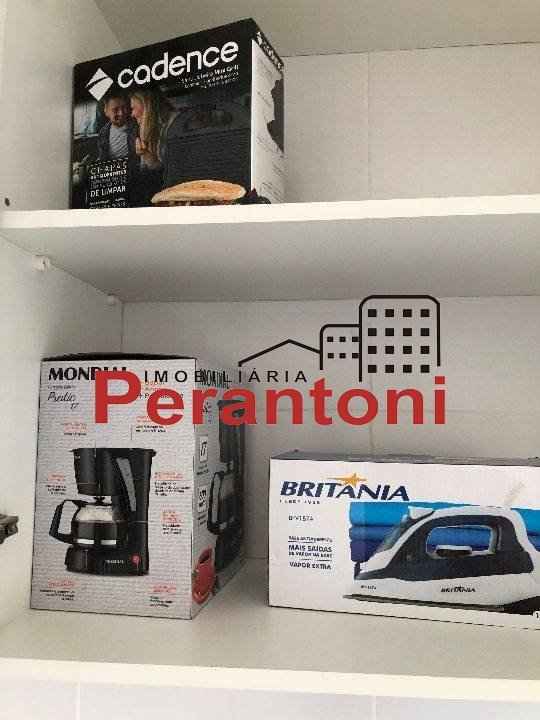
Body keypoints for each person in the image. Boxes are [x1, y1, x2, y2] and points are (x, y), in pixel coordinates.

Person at [98, 93, 138, 162]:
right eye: (115, 110)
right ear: (106, 112)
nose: (121, 113)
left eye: (124, 108)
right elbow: (102, 156)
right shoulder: (103, 132)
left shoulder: (137, 127)